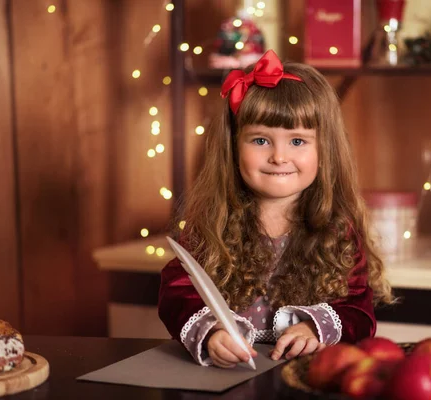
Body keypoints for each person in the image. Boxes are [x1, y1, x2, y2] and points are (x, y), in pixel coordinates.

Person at [158, 49, 393, 368]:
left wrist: (312, 327)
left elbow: (359, 311)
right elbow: (177, 294)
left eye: (297, 141)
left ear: (325, 150)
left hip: (306, 374)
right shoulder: (212, 225)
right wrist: (213, 332)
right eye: (260, 141)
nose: (279, 157)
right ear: (233, 147)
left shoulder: (338, 229)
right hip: (228, 374)